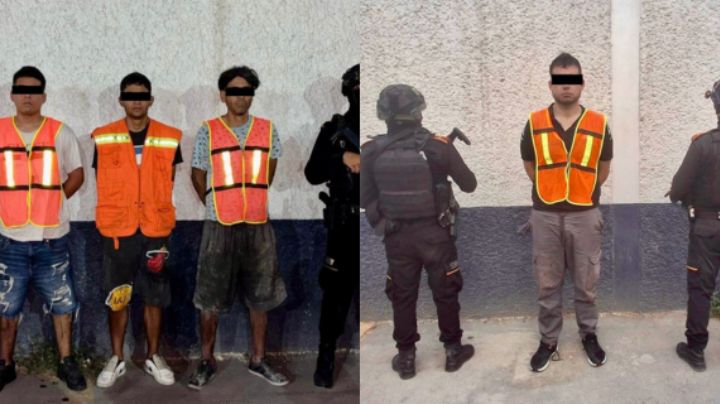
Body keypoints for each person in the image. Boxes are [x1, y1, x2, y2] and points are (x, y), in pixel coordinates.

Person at [360, 84, 477, 380]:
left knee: (402, 295)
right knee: (445, 292)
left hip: (397, 237)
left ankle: (406, 358)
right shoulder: (437, 146)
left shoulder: (371, 151)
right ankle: (453, 351)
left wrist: (384, 223)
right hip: (436, 234)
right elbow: (469, 184)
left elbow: (363, 198)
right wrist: (443, 163)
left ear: (384, 115)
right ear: (417, 113)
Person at [188, 65, 288, 389]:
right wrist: (214, 203)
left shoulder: (267, 130)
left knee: (261, 296)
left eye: (247, 91)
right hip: (219, 225)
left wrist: (251, 199)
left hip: (258, 225)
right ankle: (206, 361)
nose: (241, 97)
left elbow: (269, 172)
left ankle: (258, 359)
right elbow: (197, 172)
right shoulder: (208, 130)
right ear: (223, 95)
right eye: (234, 91)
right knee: (210, 298)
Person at [520, 52, 613, 372]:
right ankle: (548, 340)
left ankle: (589, 335)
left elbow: (603, 167)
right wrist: (550, 188)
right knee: (547, 284)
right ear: (550, 85)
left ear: (582, 84)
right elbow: (530, 165)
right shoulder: (534, 122)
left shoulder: (599, 123)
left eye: (572, 80)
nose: (566, 87)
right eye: (560, 81)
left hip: (585, 214)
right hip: (544, 214)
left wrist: (583, 192)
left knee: (586, 283)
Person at [92, 72, 183, 387]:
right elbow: (102, 180)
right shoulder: (103, 137)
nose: (136, 102)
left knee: (155, 296)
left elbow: (169, 179)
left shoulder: (169, 137)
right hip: (118, 231)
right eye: (130, 96)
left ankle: (153, 356)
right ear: (121, 100)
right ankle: (116, 358)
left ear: (151, 100)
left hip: (155, 229)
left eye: (142, 96)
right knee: (118, 296)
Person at [0, 66, 86, 391]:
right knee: (6, 306)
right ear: (12, 95)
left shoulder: (60, 132)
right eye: (21, 89)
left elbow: (77, 173)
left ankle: (67, 362)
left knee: (63, 304)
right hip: (9, 238)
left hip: (52, 239)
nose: (28, 95)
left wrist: (55, 199)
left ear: (44, 96)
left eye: (34, 90)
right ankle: (5, 364)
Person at [304, 64, 360, 388]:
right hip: (344, 226)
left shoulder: (387, 131)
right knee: (335, 296)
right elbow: (312, 173)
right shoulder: (334, 130)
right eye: (357, 88)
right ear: (348, 92)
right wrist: (341, 159)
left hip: (380, 222)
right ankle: (325, 357)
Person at [670, 79, 720, 372]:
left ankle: (696, 350)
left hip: (707, 227)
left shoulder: (703, 145)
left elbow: (678, 189)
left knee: (701, 288)